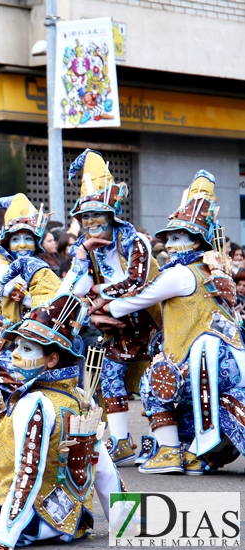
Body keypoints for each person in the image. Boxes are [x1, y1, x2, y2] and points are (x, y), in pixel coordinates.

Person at [96, 171, 245, 475]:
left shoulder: (180, 273)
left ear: (197, 241)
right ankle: (201, 454)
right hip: (231, 357)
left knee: (153, 383)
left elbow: (137, 300)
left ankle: (168, 452)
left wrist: (102, 305)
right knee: (189, 407)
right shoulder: (212, 270)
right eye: (171, 238)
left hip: (204, 355)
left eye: (181, 238)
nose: (173, 244)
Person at [0, 294, 125, 549]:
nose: (14, 355)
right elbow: (101, 466)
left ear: (52, 359)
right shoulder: (80, 397)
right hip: (73, 521)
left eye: (26, 349)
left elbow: (28, 473)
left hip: (31, 523)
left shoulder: (35, 402)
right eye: (16, 347)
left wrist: (3, 537)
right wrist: (125, 521)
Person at [59, 149, 161, 466]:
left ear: (112, 213)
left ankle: (165, 443)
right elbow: (74, 289)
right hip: (114, 329)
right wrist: (80, 260)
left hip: (151, 324)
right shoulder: (84, 248)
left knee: (154, 385)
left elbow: (137, 281)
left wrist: (101, 293)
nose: (90, 222)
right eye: (85, 216)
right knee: (111, 380)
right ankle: (120, 441)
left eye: (97, 215)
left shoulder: (135, 242)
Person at [0, 194, 59, 380]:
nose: (23, 245)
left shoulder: (29, 270)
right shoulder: (1, 270)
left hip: (18, 348)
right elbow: (39, 302)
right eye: (15, 240)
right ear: (7, 244)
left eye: (28, 238)